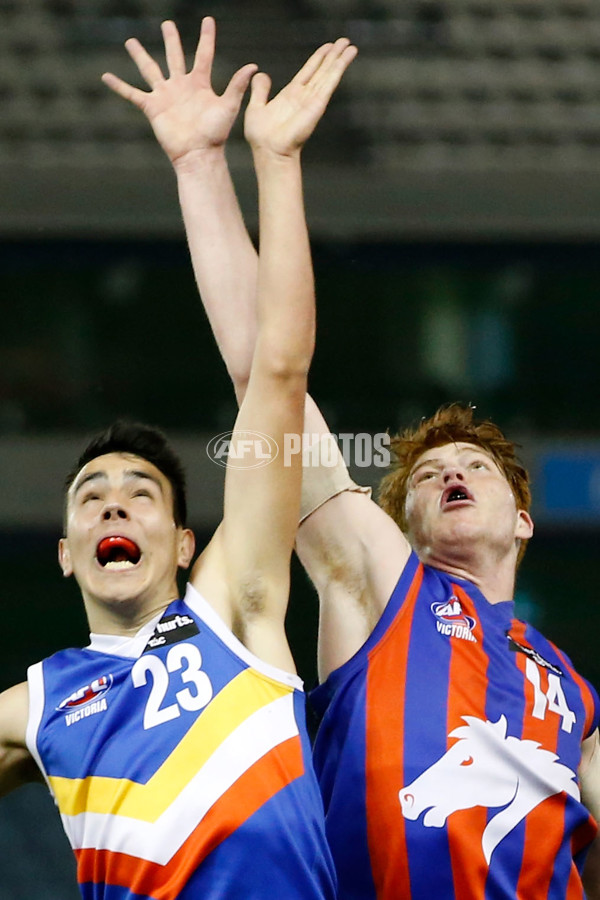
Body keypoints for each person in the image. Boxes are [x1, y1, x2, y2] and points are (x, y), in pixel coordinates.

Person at [142, 16, 600, 900]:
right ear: (407, 527)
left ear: (526, 516)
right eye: (426, 477)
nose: (447, 474)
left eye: (473, 468)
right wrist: (205, 168)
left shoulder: (571, 690)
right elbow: (266, 379)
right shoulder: (389, 586)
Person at [0, 21, 358, 900]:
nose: (114, 506)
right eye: (91, 496)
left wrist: (257, 166)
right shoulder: (37, 704)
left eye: (140, 494)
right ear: (64, 549)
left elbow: (277, 371)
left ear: (189, 543)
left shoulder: (238, 607)